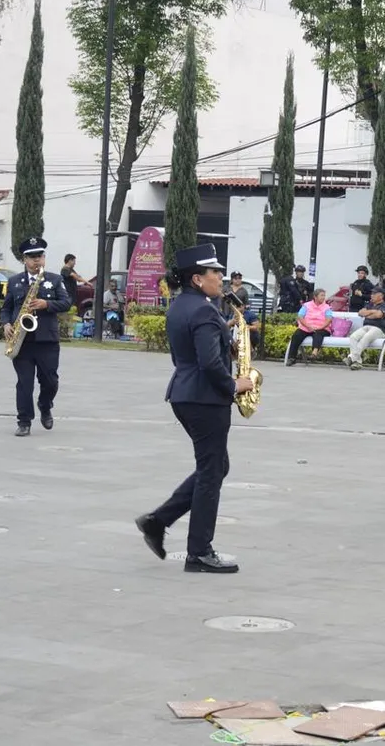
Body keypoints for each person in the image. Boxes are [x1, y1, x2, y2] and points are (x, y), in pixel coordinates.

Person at [134, 243, 254, 574]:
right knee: (212, 471)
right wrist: (234, 385)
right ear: (198, 279)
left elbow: (190, 353)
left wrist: (222, 337)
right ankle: (198, 551)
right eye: (215, 272)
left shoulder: (182, 306)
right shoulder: (203, 310)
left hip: (186, 394)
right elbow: (209, 364)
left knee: (215, 466)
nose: (221, 277)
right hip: (205, 399)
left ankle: (158, 521)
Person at [1, 238, 72, 437]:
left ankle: (45, 404)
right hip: (22, 341)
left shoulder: (55, 280)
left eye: (40, 256)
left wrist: (46, 305)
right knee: (24, 383)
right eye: (32, 257)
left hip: (47, 341)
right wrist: (6, 324)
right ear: (24, 259)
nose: (37, 261)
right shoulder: (15, 281)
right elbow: (6, 308)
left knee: (50, 381)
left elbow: (66, 302)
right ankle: (24, 421)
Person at [346, 287, 385, 369]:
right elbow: (360, 313)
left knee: (366, 337)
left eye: (374, 294)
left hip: (378, 329)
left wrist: (368, 314)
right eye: (372, 294)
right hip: (366, 327)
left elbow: (379, 315)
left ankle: (352, 358)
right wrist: (373, 312)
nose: (371, 295)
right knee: (353, 337)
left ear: (381, 296)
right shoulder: (369, 304)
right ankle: (357, 362)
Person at [286, 288, 333, 365]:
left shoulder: (327, 307)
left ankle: (314, 353)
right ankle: (291, 358)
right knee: (296, 335)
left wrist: (320, 327)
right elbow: (300, 317)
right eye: (321, 295)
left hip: (322, 328)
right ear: (315, 296)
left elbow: (329, 319)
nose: (323, 297)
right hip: (307, 327)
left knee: (318, 334)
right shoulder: (307, 305)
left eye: (324, 295)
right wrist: (308, 326)